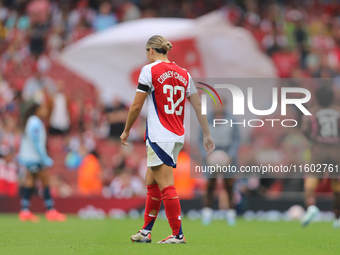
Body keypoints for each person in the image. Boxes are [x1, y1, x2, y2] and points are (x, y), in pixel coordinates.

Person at [120, 35, 215, 244]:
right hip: (176, 135)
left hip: (159, 135)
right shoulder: (184, 73)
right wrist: (207, 134)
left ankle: (177, 234)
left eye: (146, 52)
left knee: (165, 184)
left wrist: (126, 130)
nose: (146, 56)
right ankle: (146, 232)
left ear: (151, 50)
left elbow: (136, 105)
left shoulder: (150, 70)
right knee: (151, 182)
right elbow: (198, 106)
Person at [18, 102, 66, 222]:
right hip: (35, 158)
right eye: (43, 108)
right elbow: (36, 142)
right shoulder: (35, 122)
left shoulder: (31, 121)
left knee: (30, 182)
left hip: (29, 157)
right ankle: (50, 211)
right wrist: (44, 157)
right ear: (37, 110)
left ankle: (24, 211)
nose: (45, 111)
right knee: (46, 181)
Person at [301, 85, 340, 228]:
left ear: (317, 98)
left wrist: (313, 140)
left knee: (311, 181)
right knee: (337, 186)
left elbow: (305, 130)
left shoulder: (312, 112)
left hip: (319, 151)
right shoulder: (338, 112)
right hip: (337, 151)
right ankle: (337, 217)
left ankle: (311, 206)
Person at [200, 98, 240, 226]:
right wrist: (205, 154)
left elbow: (236, 140)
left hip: (228, 158)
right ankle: (207, 213)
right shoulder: (205, 120)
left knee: (229, 185)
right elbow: (199, 139)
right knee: (210, 185)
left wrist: (230, 156)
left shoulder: (232, 120)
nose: (218, 107)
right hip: (211, 156)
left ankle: (231, 214)